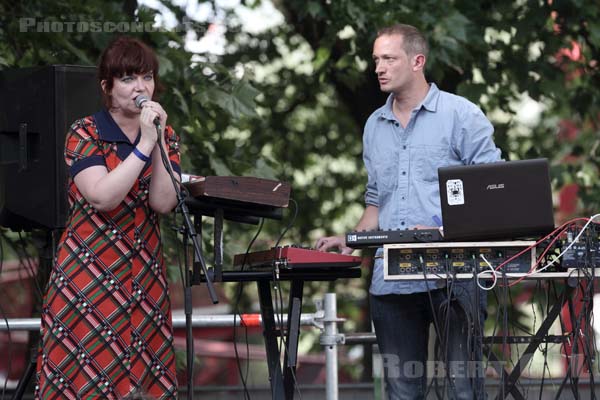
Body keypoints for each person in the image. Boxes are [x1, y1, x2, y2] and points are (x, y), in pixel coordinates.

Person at [317, 24, 501, 399]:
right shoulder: (373, 125)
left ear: (418, 61)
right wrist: (352, 238)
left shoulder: (461, 115)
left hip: (456, 274)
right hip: (392, 279)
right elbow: (376, 202)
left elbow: (493, 190)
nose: (379, 68)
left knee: (464, 389)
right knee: (401, 391)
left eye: (389, 58)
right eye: (375, 60)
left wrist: (439, 228)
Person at [35, 36, 180, 399]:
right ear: (108, 87)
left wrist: (158, 141)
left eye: (146, 77)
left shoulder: (165, 135)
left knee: (144, 380)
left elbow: (164, 203)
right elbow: (103, 196)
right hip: (89, 279)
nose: (140, 87)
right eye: (128, 79)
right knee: (85, 382)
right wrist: (145, 145)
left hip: (144, 278)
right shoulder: (85, 132)